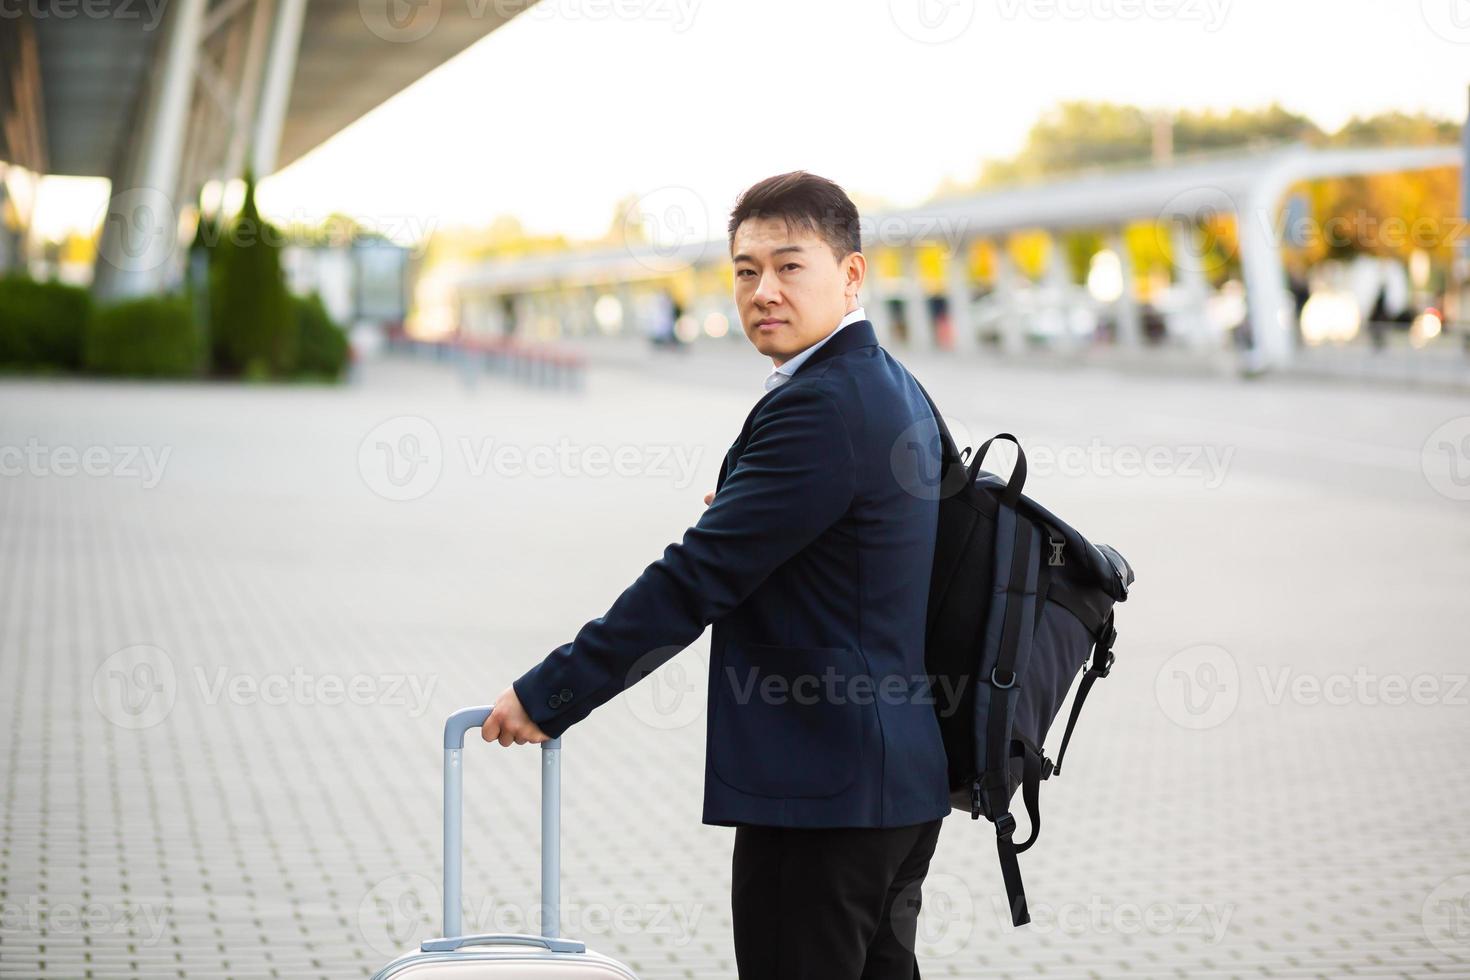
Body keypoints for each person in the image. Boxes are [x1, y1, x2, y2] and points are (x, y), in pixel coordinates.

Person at [480, 171, 951, 979]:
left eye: (789, 266)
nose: (762, 290)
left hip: (821, 793)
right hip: (894, 785)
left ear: (851, 274)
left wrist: (551, 693)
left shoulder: (823, 404)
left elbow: (693, 581)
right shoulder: (890, 385)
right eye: (744, 270)